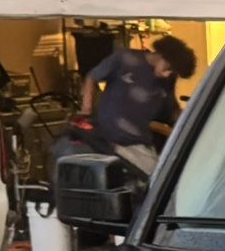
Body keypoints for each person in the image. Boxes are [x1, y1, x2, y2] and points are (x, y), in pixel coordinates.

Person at [79, 33, 197, 163]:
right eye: (167, 68)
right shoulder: (125, 58)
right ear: (161, 55)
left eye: (172, 73)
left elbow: (170, 110)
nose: (167, 75)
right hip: (110, 137)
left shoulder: (168, 80)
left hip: (138, 142)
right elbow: (92, 77)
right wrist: (87, 111)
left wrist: (190, 120)